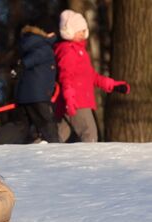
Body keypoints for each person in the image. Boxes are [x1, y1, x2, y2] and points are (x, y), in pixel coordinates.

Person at [55, 9, 130, 142]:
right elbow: (65, 75)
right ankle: (91, 162)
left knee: (58, 137)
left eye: (84, 30)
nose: (83, 34)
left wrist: (112, 85)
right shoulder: (68, 51)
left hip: (79, 100)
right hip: (77, 101)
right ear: (69, 31)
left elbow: (92, 76)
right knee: (89, 134)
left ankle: (37, 155)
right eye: (79, 30)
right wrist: (69, 97)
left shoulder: (81, 52)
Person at [13, 21, 59, 143]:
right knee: (47, 125)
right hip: (38, 95)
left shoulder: (30, 44)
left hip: (25, 95)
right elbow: (34, 58)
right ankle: (57, 150)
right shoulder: (43, 46)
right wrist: (22, 65)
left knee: (20, 127)